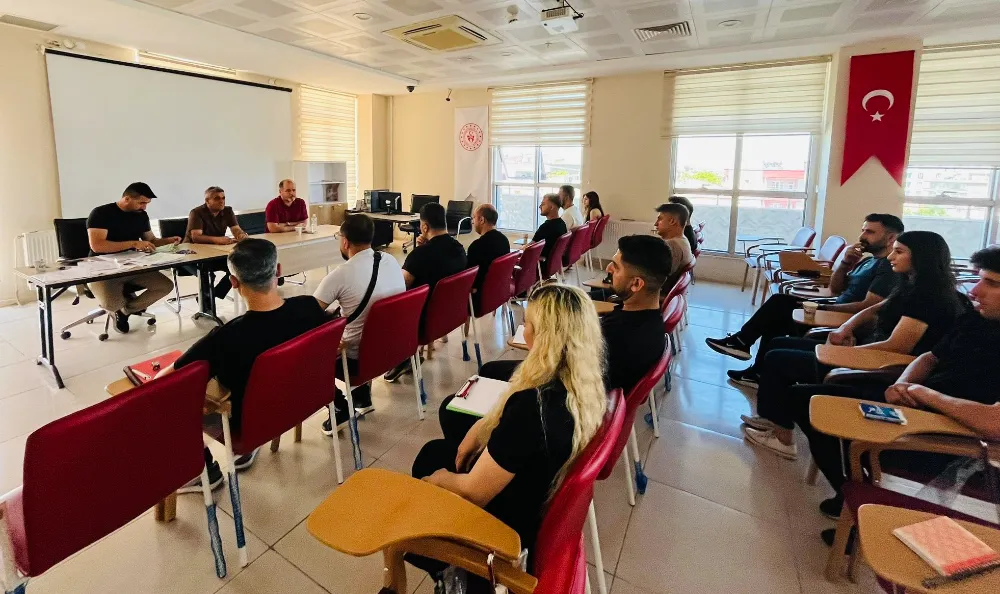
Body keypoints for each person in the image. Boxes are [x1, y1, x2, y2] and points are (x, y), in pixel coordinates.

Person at [787, 245, 1000, 544]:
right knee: (807, 400)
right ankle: (853, 493)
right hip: (916, 406)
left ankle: (862, 505)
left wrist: (922, 393)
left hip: (949, 437)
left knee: (831, 416)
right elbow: (930, 357)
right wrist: (902, 383)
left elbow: (994, 422)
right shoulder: (978, 319)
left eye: (992, 283)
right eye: (979, 279)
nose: (976, 291)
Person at [410, 283, 607, 583]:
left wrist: (434, 480)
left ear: (544, 338)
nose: (522, 330)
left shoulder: (532, 409)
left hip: (507, 527)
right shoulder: (584, 385)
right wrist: (480, 429)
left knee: (429, 460)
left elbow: (473, 492)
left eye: (527, 324)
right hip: (534, 497)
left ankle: (441, 560)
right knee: (439, 449)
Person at [741, 231, 969, 462]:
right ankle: (772, 418)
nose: (891, 257)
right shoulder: (910, 285)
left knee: (779, 359)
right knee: (778, 344)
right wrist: (845, 328)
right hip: (867, 352)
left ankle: (783, 439)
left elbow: (896, 347)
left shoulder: (928, 298)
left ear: (922, 257)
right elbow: (874, 309)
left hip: (883, 367)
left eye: (899, 252)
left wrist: (845, 353)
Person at [154, 239, 331, 491]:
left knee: (167, 397)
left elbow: (167, 381)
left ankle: (205, 470)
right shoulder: (309, 307)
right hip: (302, 401)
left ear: (233, 282)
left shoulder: (226, 337)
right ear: (278, 271)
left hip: (247, 424)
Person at [706, 214, 904, 388]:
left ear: (891, 238)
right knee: (777, 313)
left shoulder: (887, 268)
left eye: (870, 232)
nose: (862, 236)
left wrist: (823, 307)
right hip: (834, 308)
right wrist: (845, 263)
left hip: (840, 319)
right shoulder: (868, 261)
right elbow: (836, 288)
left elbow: (868, 306)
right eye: (863, 230)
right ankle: (754, 366)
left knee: (780, 304)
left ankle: (743, 345)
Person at [313, 213, 406, 428]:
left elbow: (310, 313)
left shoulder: (340, 274)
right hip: (393, 350)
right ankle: (362, 397)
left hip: (358, 360)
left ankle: (340, 407)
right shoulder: (390, 261)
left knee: (307, 356)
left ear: (345, 242)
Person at [384, 202, 467, 382]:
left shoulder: (420, 255)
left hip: (423, 318)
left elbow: (400, 284)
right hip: (451, 313)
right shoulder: (459, 248)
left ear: (424, 227)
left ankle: (402, 359)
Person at [86, 182, 179, 334]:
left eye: (147, 203)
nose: (144, 207)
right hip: (103, 268)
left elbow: (151, 240)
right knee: (111, 304)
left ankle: (125, 311)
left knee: (165, 286)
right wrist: (134, 243)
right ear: (127, 199)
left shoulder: (140, 215)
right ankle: (120, 305)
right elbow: (98, 246)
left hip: (132, 264)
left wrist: (168, 240)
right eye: (141, 203)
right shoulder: (101, 213)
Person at [183, 186, 249, 300]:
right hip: (190, 255)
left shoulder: (228, 210)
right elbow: (196, 237)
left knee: (239, 266)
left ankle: (214, 295)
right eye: (217, 198)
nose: (221, 201)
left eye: (223, 198)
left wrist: (241, 235)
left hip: (214, 252)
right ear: (207, 201)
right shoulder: (196, 212)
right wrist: (218, 240)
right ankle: (206, 304)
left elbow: (236, 229)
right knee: (207, 274)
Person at [466, 204, 510, 291]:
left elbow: (468, 278)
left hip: (480, 294)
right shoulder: (504, 240)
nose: (472, 222)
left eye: (474, 217)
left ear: (481, 220)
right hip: (499, 290)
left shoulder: (477, 246)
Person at [653, 203, 694, 281]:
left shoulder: (672, 246)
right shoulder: (683, 240)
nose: (655, 224)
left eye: (660, 219)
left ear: (672, 221)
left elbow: (657, 278)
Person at [532, 193, 568, 263]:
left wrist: (521, 248)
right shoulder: (562, 224)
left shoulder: (545, 227)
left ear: (552, 207)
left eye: (543, 204)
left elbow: (529, 248)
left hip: (541, 263)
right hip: (554, 263)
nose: (540, 207)